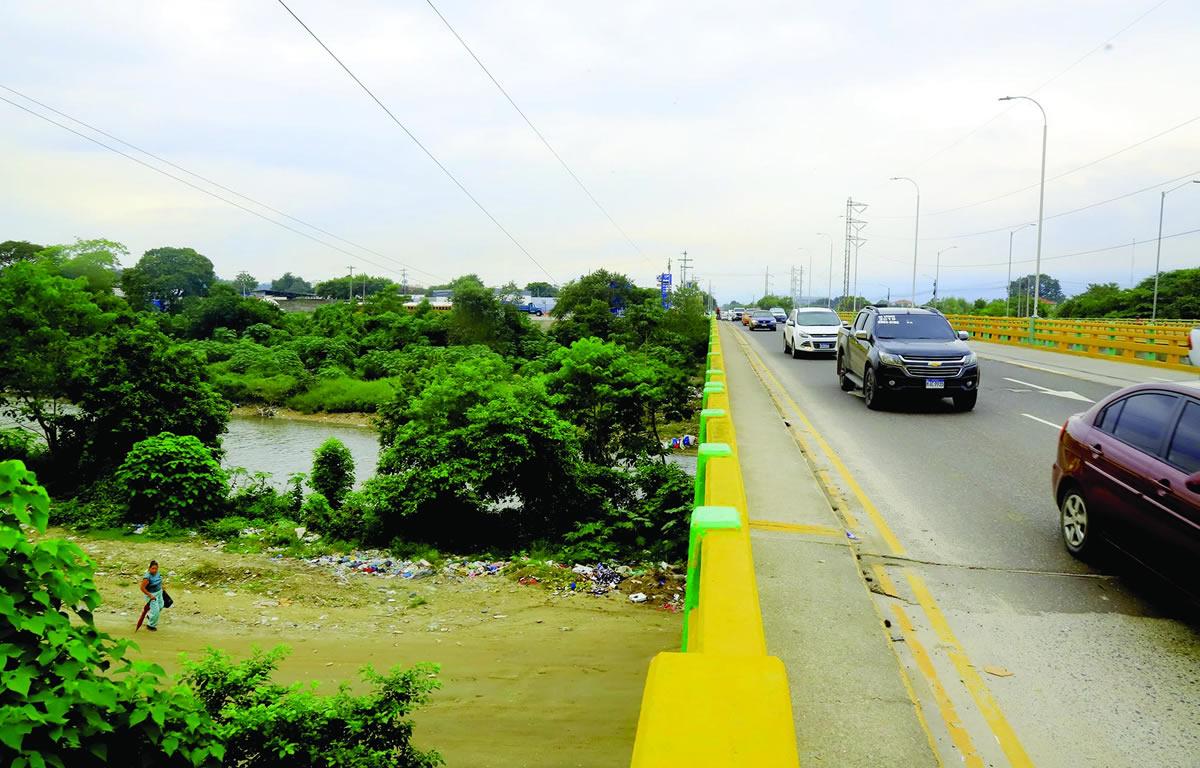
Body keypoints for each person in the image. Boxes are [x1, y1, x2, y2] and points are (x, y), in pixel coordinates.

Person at [140, 560, 164, 632]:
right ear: (149, 568)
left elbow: (159, 581)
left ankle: (150, 616)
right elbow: (142, 588)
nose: (154, 570)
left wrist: (162, 588)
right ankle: (151, 625)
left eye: (156, 568)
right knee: (156, 611)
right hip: (151, 595)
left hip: (159, 592)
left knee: (161, 606)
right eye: (153, 568)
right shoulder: (147, 577)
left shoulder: (157, 573)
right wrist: (150, 596)